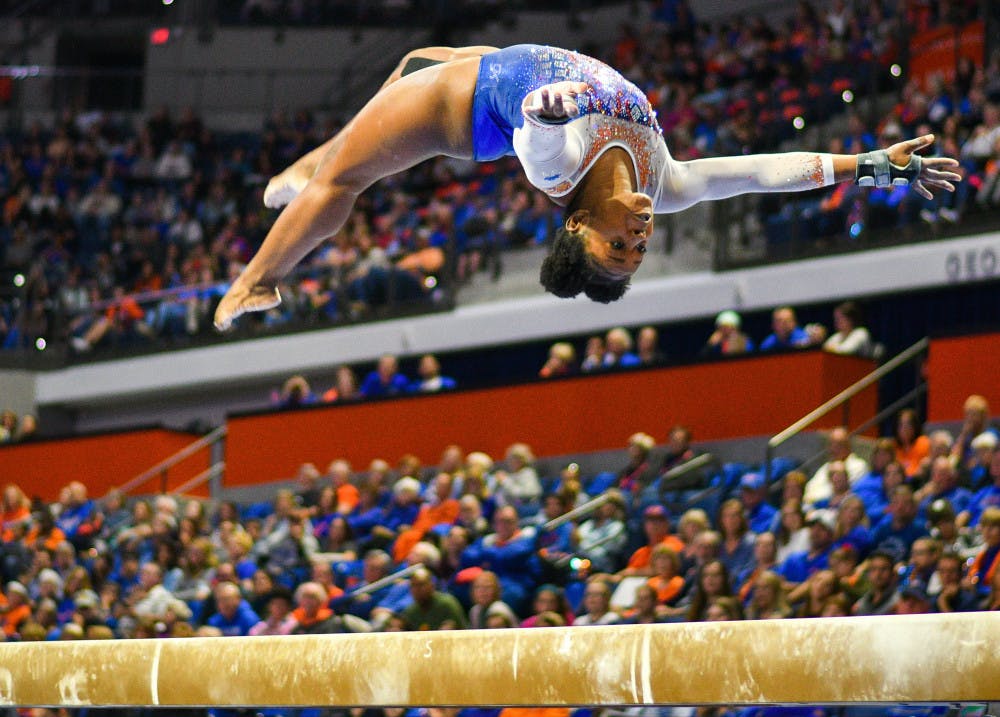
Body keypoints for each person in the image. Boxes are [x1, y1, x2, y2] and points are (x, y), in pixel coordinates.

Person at [212, 44, 959, 327]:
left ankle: (253, 282)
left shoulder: (558, 169)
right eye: (640, 247)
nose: (639, 236)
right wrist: (870, 164)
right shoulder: (667, 183)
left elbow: (537, 127)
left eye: (619, 245)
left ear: (578, 227)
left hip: (459, 107)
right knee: (399, 71)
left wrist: (550, 105)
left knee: (346, 182)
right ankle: (302, 171)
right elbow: (765, 173)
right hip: (493, 58)